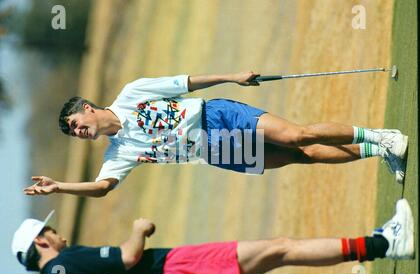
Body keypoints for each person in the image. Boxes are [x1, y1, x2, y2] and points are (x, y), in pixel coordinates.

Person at [24, 72, 408, 198]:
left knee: (297, 136)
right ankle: (378, 150)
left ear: (87, 108)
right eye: (74, 134)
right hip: (216, 150)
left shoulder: (132, 92)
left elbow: (186, 82)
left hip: (217, 116)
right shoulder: (118, 154)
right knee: (300, 157)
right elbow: (103, 188)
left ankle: (382, 134)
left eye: (75, 124)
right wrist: (59, 187)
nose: (79, 132)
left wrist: (232, 76)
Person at [12, 199, 414, 274]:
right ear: (41, 243)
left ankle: (378, 245)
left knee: (281, 256)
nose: (56, 231)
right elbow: (128, 259)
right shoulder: (67, 264)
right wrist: (139, 228)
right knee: (281, 248)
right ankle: (385, 244)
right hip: (174, 270)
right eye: (49, 230)